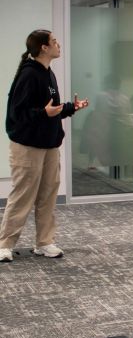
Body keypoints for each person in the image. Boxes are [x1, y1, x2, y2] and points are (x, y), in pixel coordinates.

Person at [0, 30, 89, 263]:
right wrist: (43, 112)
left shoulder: (48, 73)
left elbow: (51, 109)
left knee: (48, 195)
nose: (58, 45)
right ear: (43, 48)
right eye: (54, 42)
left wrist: (70, 107)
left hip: (49, 144)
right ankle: (5, 244)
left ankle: (44, 242)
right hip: (28, 146)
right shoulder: (29, 75)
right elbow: (18, 113)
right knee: (22, 195)